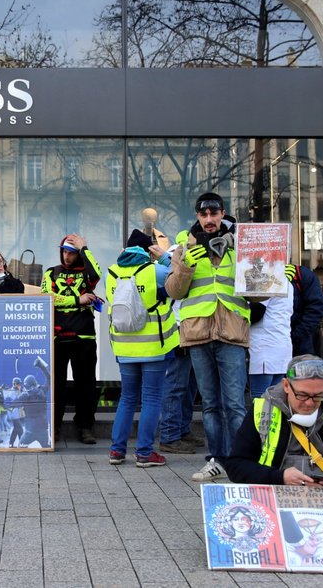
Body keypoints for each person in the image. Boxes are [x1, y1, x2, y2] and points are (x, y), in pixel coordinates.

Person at [166, 193, 250, 482]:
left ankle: (241, 462)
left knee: (235, 403)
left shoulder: (241, 245)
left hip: (231, 332)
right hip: (199, 333)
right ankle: (216, 459)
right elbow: (174, 291)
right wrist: (186, 263)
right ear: (198, 216)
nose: (210, 220)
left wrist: (274, 274)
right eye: (204, 215)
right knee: (211, 405)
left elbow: (258, 292)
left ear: (223, 213)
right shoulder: (184, 246)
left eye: (215, 214)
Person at [225, 355, 323, 487]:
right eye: (302, 395)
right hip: (278, 494)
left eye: (318, 396)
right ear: (286, 385)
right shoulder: (262, 411)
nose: (309, 403)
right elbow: (236, 465)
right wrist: (279, 477)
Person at [107, 230, 179, 467]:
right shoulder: (155, 271)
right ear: (148, 251)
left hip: (125, 347)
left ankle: (117, 451)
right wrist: (165, 258)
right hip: (152, 348)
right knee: (151, 398)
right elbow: (180, 278)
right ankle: (145, 453)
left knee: (127, 398)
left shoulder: (112, 273)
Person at [41, 233, 101, 444]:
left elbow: (97, 274)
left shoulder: (86, 273)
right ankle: (54, 427)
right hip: (58, 337)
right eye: (65, 252)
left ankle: (85, 427)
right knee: (55, 385)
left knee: (86, 385)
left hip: (84, 335)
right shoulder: (51, 272)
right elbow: (48, 298)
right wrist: (79, 299)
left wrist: (85, 248)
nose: (67, 256)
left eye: (72, 253)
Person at [248, 286, 294, 398]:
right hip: (281, 347)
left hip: (264, 348)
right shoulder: (284, 280)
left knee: (260, 400)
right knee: (275, 400)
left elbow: (256, 312)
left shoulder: (266, 279)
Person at [288, 263, 323, 357]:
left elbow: (316, 309)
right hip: (264, 346)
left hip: (300, 346)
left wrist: (296, 336)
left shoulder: (301, 274)